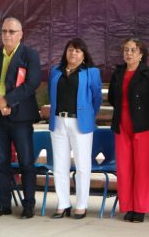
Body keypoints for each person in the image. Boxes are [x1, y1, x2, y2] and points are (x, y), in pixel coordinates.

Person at [0, 17, 42, 219]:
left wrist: (7, 101)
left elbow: (31, 84)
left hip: (21, 118)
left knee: (26, 162)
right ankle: (3, 204)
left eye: (12, 31)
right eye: (4, 31)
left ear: (21, 34)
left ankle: (29, 204)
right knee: (1, 162)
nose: (7, 35)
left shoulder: (30, 55)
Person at [108, 38, 149, 223]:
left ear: (141, 54)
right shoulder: (118, 73)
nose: (129, 53)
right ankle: (127, 207)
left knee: (142, 167)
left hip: (144, 125)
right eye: (126, 49)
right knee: (124, 168)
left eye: (133, 50)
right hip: (121, 124)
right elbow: (111, 97)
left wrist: (146, 114)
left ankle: (140, 208)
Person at [48, 38, 103, 220]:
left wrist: (87, 115)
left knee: (82, 166)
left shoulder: (91, 72)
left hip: (80, 123)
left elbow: (96, 99)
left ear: (84, 54)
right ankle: (63, 203)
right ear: (66, 51)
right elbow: (51, 94)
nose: (73, 53)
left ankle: (81, 204)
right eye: (71, 49)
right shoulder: (55, 72)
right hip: (58, 122)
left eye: (78, 51)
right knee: (59, 165)